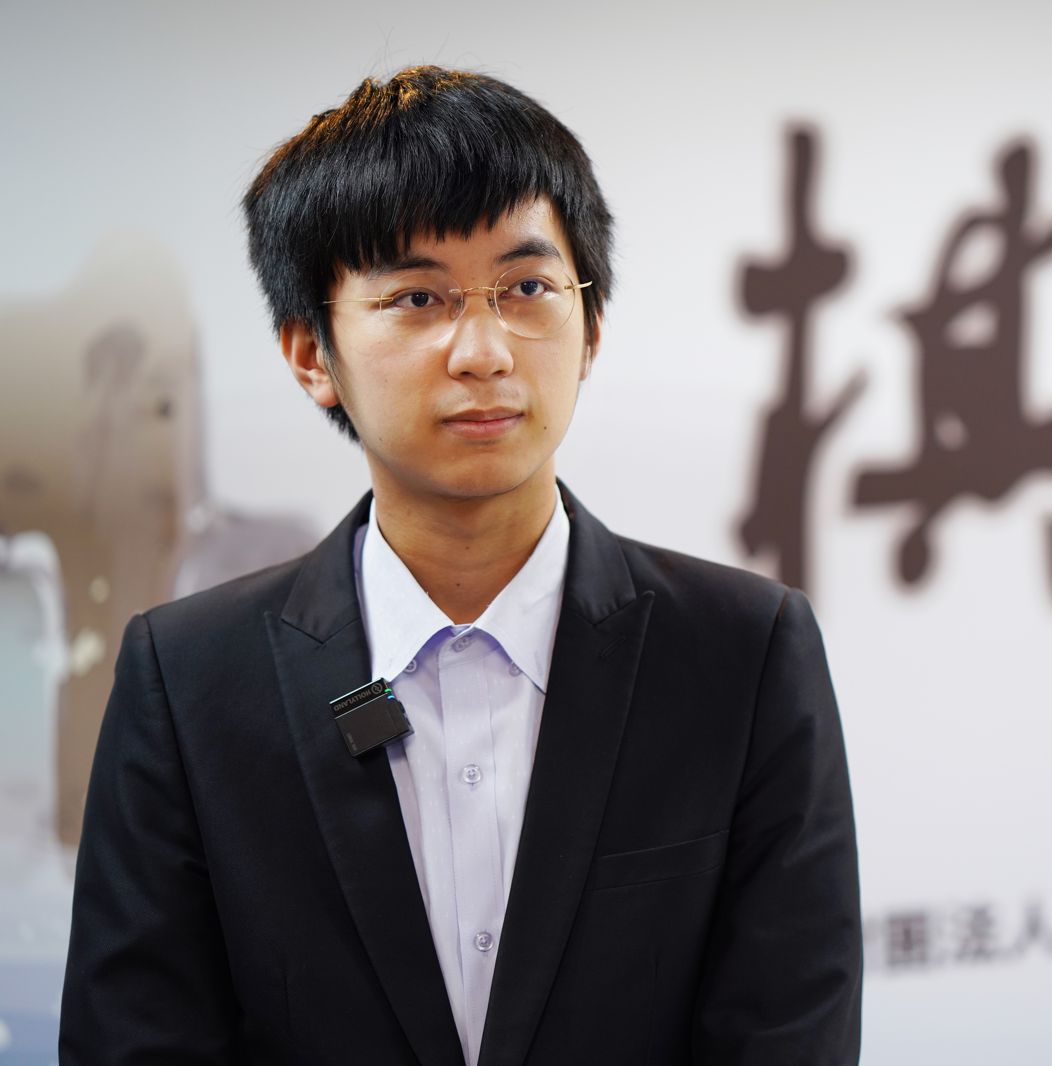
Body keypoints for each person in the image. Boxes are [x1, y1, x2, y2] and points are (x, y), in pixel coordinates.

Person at [60, 65, 862, 1066]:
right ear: (310, 353)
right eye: (417, 297)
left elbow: (787, 1028)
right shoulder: (189, 683)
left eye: (527, 288)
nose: (483, 351)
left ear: (591, 326)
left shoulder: (741, 655)